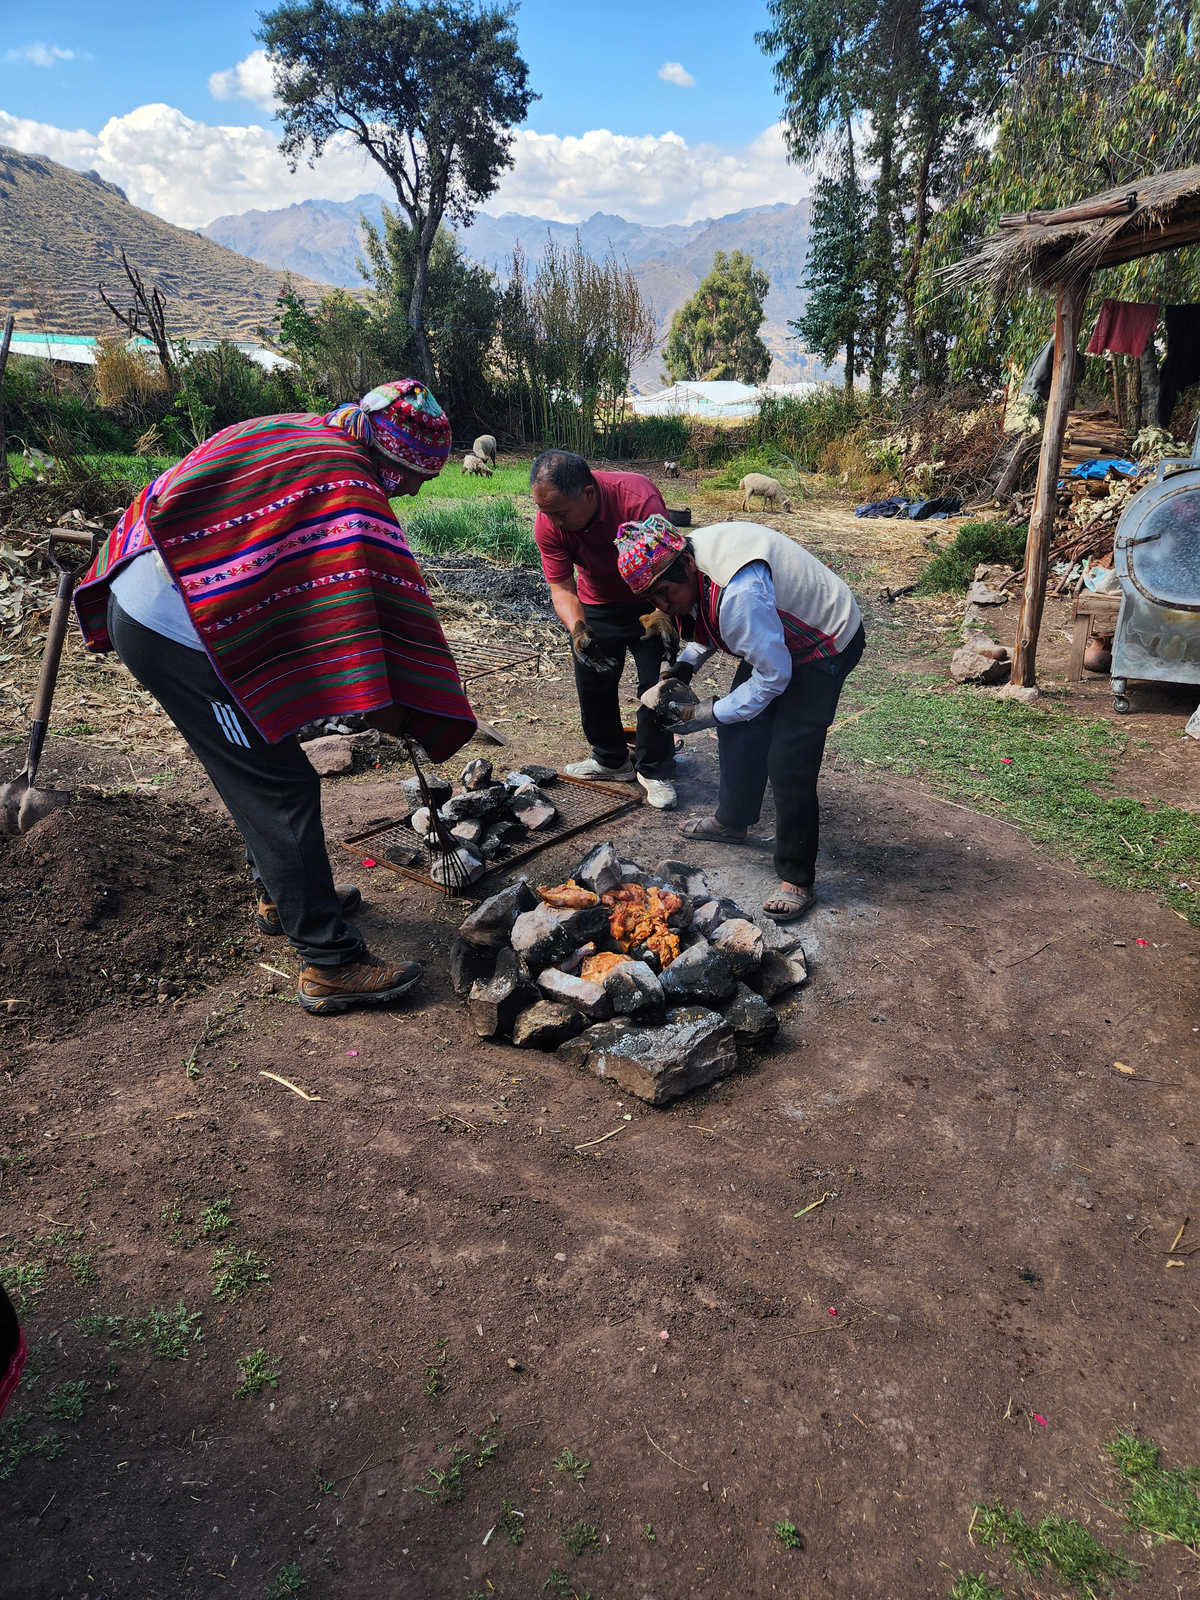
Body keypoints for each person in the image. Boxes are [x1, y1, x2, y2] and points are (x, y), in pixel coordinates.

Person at [74, 380, 477, 1013]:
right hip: (179, 627)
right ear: (391, 460)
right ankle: (329, 962)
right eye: (414, 480)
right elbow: (350, 620)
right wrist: (401, 710)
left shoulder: (297, 429)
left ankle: (280, 894)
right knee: (278, 784)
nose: (415, 493)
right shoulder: (345, 479)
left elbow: (290, 580)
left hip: (157, 588)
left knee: (263, 755)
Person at [615, 515, 864, 921]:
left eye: (664, 594)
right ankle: (733, 821)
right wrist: (682, 668)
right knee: (741, 728)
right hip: (775, 636)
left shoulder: (740, 595)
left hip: (825, 639)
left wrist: (705, 714)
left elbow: (773, 676)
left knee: (789, 759)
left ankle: (796, 877)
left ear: (688, 566)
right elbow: (703, 618)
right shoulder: (679, 555)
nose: (662, 606)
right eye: (651, 600)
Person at [530, 450, 679, 809]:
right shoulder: (548, 523)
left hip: (650, 598)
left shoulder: (638, 499)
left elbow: (668, 566)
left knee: (656, 683)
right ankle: (611, 759)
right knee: (593, 677)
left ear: (588, 493)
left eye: (560, 512)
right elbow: (563, 588)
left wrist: (664, 613)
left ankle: (655, 768)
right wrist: (579, 628)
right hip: (596, 599)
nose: (552, 521)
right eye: (545, 511)